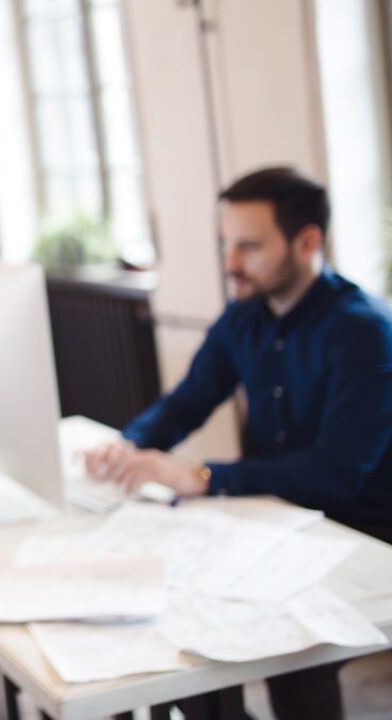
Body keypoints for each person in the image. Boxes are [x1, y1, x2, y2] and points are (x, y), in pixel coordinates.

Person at [85, 166, 392, 720]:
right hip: (276, 516)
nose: (230, 264)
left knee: (284, 641)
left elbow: (338, 473)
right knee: (172, 615)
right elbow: (187, 403)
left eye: (249, 247)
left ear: (308, 241)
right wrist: (129, 445)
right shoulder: (245, 316)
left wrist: (205, 476)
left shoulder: (362, 330)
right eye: (227, 245)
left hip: (359, 526)